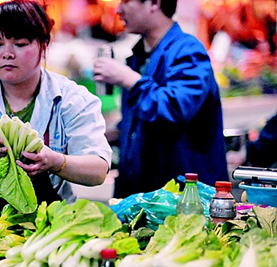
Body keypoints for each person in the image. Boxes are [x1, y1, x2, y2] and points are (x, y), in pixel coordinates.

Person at [0, 0, 112, 207]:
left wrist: (55, 161)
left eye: (20, 44)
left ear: (43, 46)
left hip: (47, 222)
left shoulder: (72, 99)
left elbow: (97, 170)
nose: (7, 54)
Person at [93, 0, 229, 198]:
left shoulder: (188, 51)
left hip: (184, 201)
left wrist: (129, 79)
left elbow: (175, 108)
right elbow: (146, 121)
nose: (118, 9)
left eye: (126, 1)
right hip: (142, 196)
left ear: (155, 3)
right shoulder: (139, 56)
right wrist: (109, 134)